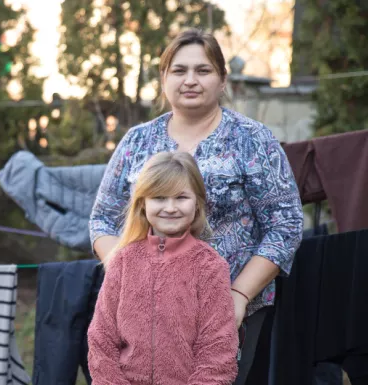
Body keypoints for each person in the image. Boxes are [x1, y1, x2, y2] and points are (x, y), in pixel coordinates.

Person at [89, 28, 303, 384]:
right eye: (179, 70)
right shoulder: (136, 142)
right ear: (163, 79)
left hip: (232, 307)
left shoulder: (253, 140)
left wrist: (237, 295)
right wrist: (126, 274)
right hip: (142, 311)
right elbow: (102, 219)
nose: (191, 80)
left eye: (203, 70)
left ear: (222, 79)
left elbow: (286, 225)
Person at [88, 151, 238, 385]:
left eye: (181, 197)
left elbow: (218, 349)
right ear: (142, 203)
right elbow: (101, 339)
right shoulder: (123, 261)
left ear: (197, 203)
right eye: (159, 198)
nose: (170, 207)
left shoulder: (210, 267)